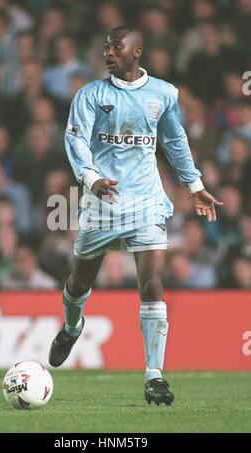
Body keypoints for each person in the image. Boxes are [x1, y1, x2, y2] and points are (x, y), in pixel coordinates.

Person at [48, 26, 223, 406]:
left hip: (145, 201)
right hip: (102, 200)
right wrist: (91, 178)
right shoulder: (91, 94)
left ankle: (154, 376)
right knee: (78, 282)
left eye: (116, 46)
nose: (108, 52)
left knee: (151, 284)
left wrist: (194, 185)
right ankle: (72, 327)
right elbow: (75, 138)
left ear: (137, 52)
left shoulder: (164, 94)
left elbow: (174, 140)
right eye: (106, 46)